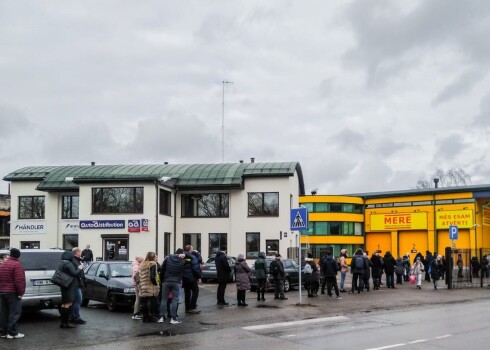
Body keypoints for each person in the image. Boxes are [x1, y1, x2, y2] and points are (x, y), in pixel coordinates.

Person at [0, 248, 26, 338]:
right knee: (14, 313)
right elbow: (19, 281)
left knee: (3, 313)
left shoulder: (4, 264)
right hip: (12, 292)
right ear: (18, 255)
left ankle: (3, 332)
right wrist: (20, 293)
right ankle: (12, 333)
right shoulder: (17, 265)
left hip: (2, 292)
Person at [159, 249, 187, 324]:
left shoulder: (167, 259)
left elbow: (162, 270)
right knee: (175, 300)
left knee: (164, 299)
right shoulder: (183, 261)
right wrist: (186, 256)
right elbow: (183, 272)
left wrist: (162, 280)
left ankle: (161, 317)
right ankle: (173, 318)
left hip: (166, 281)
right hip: (176, 282)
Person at [58, 250, 84, 329]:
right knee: (68, 304)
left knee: (64, 304)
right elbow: (74, 273)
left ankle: (63, 322)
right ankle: (65, 323)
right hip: (69, 286)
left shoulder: (62, 263)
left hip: (64, 285)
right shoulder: (68, 264)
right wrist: (80, 268)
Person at [139, 252, 160, 323]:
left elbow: (139, 276)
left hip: (143, 285)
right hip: (150, 286)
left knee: (144, 302)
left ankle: (145, 317)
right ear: (153, 257)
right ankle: (151, 317)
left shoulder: (142, 264)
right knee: (151, 302)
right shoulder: (152, 264)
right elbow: (152, 276)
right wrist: (156, 284)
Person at [183, 245, 202, 314]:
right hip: (191, 278)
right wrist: (199, 277)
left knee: (187, 293)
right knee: (195, 291)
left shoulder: (183, 256)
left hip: (184, 277)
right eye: (192, 249)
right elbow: (196, 266)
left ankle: (187, 308)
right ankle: (192, 307)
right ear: (190, 250)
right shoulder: (193, 257)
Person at [70, 247, 86, 324]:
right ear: (77, 253)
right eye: (80, 252)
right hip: (76, 284)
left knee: (76, 300)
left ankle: (73, 316)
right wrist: (80, 268)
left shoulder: (76, 260)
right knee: (78, 300)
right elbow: (75, 272)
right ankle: (76, 317)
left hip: (77, 283)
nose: (81, 253)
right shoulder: (74, 261)